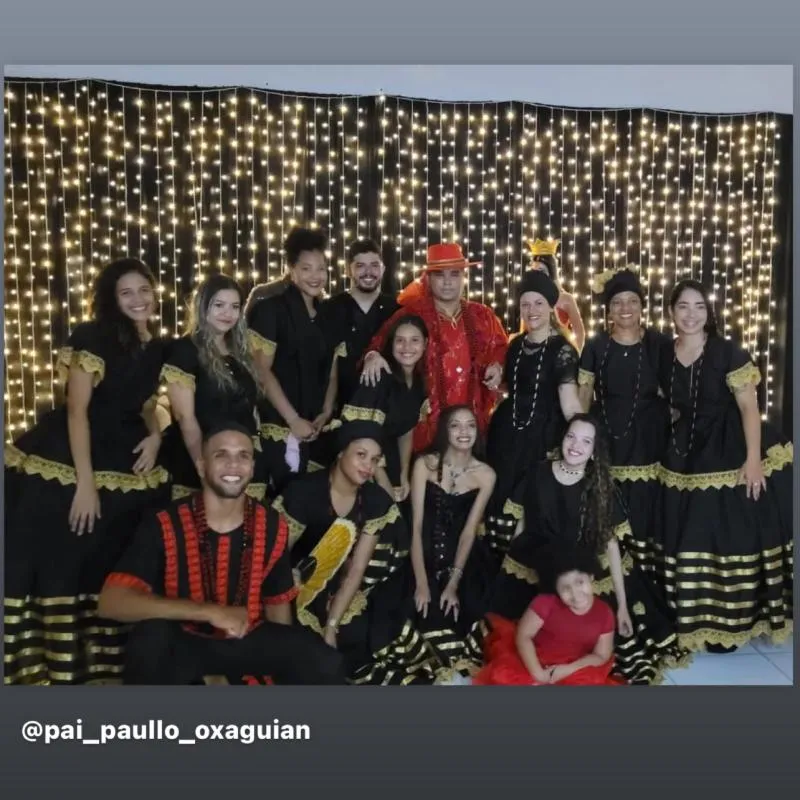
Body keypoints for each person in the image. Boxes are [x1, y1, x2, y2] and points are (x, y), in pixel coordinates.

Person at [4, 258, 169, 685]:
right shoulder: (92, 337)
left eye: (144, 290)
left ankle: (107, 664)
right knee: (68, 549)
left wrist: (156, 436)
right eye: (126, 292)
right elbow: (77, 411)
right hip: (76, 450)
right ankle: (58, 662)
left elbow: (148, 406)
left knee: (114, 554)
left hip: (127, 449)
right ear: (112, 299)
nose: (138, 299)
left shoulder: (156, 346)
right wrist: (85, 483)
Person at [97, 423, 346, 685]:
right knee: (149, 638)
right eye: (221, 455)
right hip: (182, 641)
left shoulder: (272, 525)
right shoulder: (164, 522)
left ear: (252, 468)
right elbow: (111, 602)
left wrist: (283, 663)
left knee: (321, 659)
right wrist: (209, 612)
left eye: (243, 456)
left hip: (244, 639)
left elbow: (277, 605)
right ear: (201, 466)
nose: (233, 464)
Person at [490, 414, 690, 685]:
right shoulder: (538, 472)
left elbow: (610, 543)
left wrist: (622, 605)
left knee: (603, 634)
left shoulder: (598, 484)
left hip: (583, 565)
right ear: (562, 438)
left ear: (595, 449)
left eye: (586, 441)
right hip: (540, 560)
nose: (576, 445)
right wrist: (508, 569)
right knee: (515, 632)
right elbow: (523, 522)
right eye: (571, 436)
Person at [652, 280, 793, 653]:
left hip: (729, 447)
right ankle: (692, 616)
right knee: (688, 534)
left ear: (709, 312)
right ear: (672, 311)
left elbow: (749, 408)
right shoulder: (665, 354)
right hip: (685, 449)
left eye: (699, 306)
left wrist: (753, 459)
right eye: (683, 306)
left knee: (726, 534)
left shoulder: (728, 352)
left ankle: (729, 621)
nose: (691, 314)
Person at [272, 417, 418, 684]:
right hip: (289, 587)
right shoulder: (304, 493)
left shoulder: (374, 500)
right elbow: (274, 560)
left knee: (356, 638)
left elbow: (356, 570)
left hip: (335, 587)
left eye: (375, 460)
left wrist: (332, 625)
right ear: (341, 452)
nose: (368, 466)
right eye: (361, 455)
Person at [360, 242, 508, 453]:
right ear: (428, 279)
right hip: (424, 431)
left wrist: (498, 366)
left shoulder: (483, 315)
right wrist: (372, 356)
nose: (447, 282)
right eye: (440, 275)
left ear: (463, 277)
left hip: (472, 428)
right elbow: (379, 343)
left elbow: (502, 350)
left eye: (455, 274)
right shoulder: (411, 314)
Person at [483, 269, 582, 559]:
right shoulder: (516, 344)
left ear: (551, 306)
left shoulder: (563, 350)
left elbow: (569, 404)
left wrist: (583, 439)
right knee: (499, 508)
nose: (531, 310)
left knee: (531, 512)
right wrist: (496, 378)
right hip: (506, 436)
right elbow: (516, 386)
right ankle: (500, 571)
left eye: (538, 303)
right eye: (525, 304)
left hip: (542, 439)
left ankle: (523, 572)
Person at [577, 266, 672, 554]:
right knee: (609, 509)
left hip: (650, 439)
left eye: (632, 301)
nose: (625, 308)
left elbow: (674, 389)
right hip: (608, 436)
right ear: (608, 310)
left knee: (646, 510)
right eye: (617, 302)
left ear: (642, 306)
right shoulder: (596, 346)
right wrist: (579, 437)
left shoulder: (659, 343)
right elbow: (584, 395)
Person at [247, 226, 345, 495]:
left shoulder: (329, 314)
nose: (316, 276)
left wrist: (327, 411)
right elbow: (261, 370)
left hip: (318, 426)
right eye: (306, 268)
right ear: (291, 270)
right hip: (279, 423)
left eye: (321, 269)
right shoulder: (271, 310)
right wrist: (292, 419)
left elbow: (332, 370)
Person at [407, 405, 497, 682]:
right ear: (445, 431)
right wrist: (421, 582)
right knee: (419, 611)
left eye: (470, 425)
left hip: (461, 559)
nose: (464, 431)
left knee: (462, 613)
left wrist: (453, 584)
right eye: (455, 425)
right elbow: (416, 526)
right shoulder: (424, 464)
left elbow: (469, 532)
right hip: (420, 553)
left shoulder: (486, 475)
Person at [160, 274, 267, 501]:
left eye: (234, 307)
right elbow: (186, 419)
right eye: (219, 305)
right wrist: (205, 471)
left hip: (241, 461)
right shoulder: (185, 351)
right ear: (203, 307)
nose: (227, 313)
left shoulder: (240, 352)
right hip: (201, 462)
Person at [473, 547, 623, 686]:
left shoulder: (604, 613)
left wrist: (568, 669)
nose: (575, 593)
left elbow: (601, 655)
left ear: (591, 576)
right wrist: (538, 674)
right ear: (555, 589)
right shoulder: (546, 603)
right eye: (566, 588)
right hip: (535, 660)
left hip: (576, 668)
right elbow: (523, 636)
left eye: (580, 582)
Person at [328, 314, 428, 504]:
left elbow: (407, 431)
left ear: (425, 344)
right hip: (363, 463)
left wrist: (403, 474)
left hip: (391, 460)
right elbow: (363, 437)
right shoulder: (379, 375)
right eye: (400, 340)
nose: (407, 347)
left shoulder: (418, 382)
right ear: (391, 344)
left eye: (414, 340)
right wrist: (383, 483)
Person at [317, 238, 400, 413]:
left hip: (387, 408)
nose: (368, 272)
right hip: (337, 410)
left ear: (383, 268)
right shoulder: (329, 309)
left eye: (374, 265)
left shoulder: (397, 310)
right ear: (348, 270)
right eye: (360, 266)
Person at [526, 238, 586, 352]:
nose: (538, 275)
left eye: (542, 271)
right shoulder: (529, 299)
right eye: (534, 271)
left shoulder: (566, 299)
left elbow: (579, 332)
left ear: (551, 272)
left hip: (559, 353)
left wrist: (574, 355)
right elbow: (524, 331)